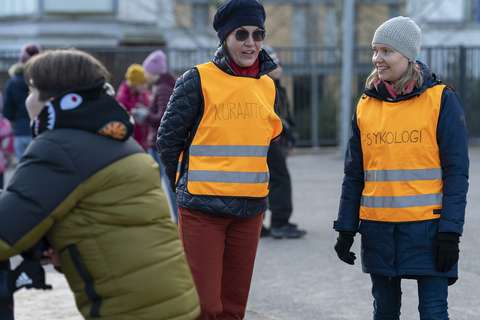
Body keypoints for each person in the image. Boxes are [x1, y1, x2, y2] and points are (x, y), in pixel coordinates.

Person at [0, 49, 200, 320]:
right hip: (174, 302)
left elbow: (5, 234)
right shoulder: (117, 139)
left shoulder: (59, 147)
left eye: (32, 91)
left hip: (133, 312)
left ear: (56, 100)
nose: (28, 100)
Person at [333, 17, 469, 320]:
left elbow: (456, 173)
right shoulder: (366, 105)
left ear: (408, 56)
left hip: (430, 232)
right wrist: (345, 228)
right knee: (384, 311)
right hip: (379, 230)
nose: (377, 59)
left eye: (386, 51)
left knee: (433, 312)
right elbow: (355, 173)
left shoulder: (441, 100)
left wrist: (450, 232)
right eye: (375, 50)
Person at [157, 0, 282, 318]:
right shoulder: (197, 79)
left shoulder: (267, 86)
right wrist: (183, 188)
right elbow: (167, 142)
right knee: (205, 308)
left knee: (233, 308)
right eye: (241, 34)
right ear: (225, 38)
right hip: (202, 212)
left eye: (258, 34)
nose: (251, 43)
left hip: (250, 211)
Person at [262, 46, 306, 239]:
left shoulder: (276, 86)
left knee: (267, 181)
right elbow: (275, 118)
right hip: (269, 141)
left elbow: (286, 114)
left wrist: (290, 135)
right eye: (275, 64)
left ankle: (261, 224)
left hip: (274, 141)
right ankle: (279, 222)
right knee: (279, 179)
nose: (280, 68)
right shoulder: (266, 86)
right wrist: (286, 133)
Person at [142, 50, 178, 221]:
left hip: (159, 145)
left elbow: (163, 117)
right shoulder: (163, 86)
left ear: (154, 72)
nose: (145, 75)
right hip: (159, 144)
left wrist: (145, 116)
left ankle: (177, 222)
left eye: (147, 71)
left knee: (168, 187)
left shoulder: (163, 88)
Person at [2, 43, 41, 161]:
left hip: (20, 132)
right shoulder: (44, 81)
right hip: (40, 132)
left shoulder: (12, 83)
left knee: (22, 168)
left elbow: (7, 112)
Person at [116, 64, 151, 150]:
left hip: (145, 141)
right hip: (132, 142)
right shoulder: (122, 97)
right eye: (142, 83)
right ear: (135, 83)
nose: (145, 86)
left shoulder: (143, 94)